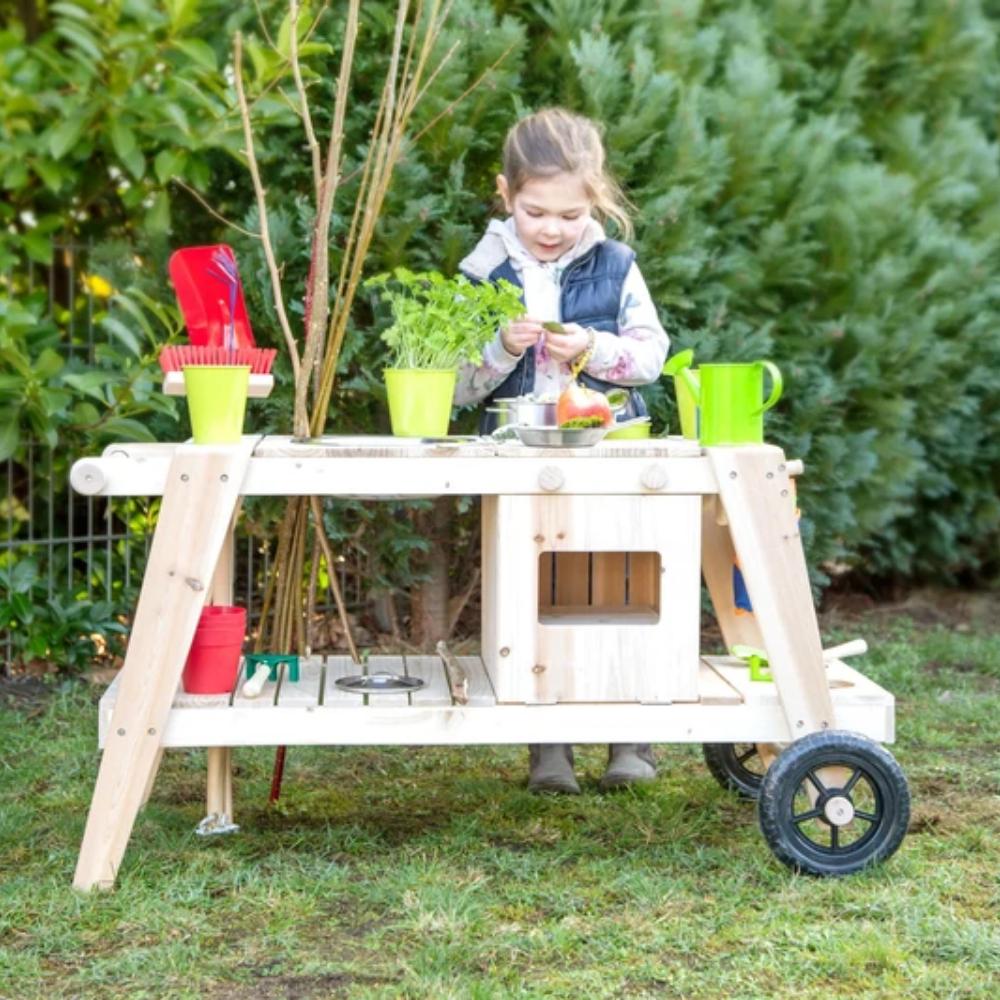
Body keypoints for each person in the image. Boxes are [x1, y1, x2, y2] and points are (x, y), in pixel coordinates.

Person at [454, 107, 669, 794]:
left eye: (570, 215)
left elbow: (651, 357)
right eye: (535, 211)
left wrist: (597, 348)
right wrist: (498, 348)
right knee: (535, 589)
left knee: (620, 581)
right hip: (521, 458)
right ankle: (548, 743)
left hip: (608, 452)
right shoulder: (485, 267)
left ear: (595, 198)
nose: (551, 229)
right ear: (505, 194)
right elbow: (456, 385)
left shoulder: (616, 263)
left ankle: (629, 736)